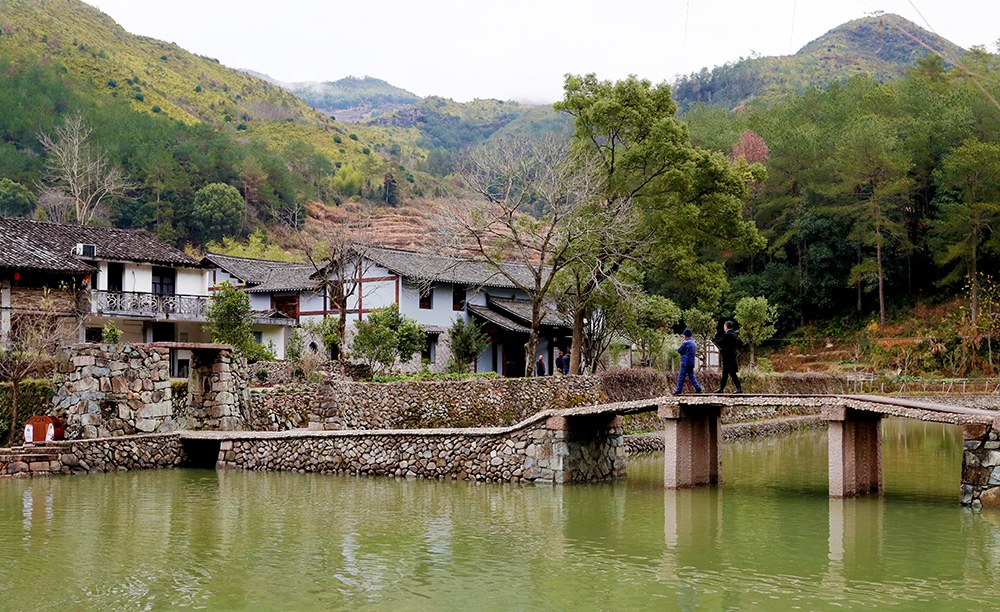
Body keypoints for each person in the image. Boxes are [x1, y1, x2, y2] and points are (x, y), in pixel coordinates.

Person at [715, 320, 743, 394]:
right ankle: (724, 388)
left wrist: (716, 340)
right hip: (732, 356)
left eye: (724, 326)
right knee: (729, 373)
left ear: (726, 326)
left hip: (727, 357)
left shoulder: (727, 335)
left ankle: (736, 388)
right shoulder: (734, 334)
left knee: (728, 373)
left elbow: (721, 342)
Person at [674, 329, 702, 395]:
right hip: (691, 362)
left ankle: (678, 390)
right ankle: (698, 387)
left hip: (685, 362)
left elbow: (680, 350)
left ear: (685, 335)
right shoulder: (694, 343)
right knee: (691, 376)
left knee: (681, 376)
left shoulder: (685, 342)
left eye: (683, 335)